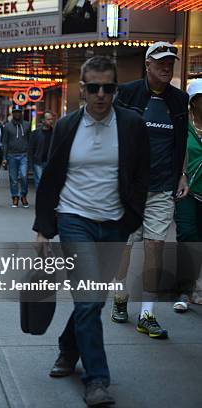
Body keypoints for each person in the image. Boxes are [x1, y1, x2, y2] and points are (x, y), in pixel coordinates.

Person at [34, 56, 149, 407]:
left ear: (116, 89)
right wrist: (43, 229)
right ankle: (97, 379)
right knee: (88, 299)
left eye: (109, 88)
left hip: (114, 223)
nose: (101, 94)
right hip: (74, 218)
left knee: (92, 302)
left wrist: (132, 220)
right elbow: (51, 178)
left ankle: (68, 350)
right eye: (94, 87)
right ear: (82, 89)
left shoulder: (131, 124)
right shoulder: (68, 126)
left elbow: (141, 174)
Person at [111, 41, 189, 339]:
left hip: (162, 188)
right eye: (160, 62)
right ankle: (119, 299)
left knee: (156, 247)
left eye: (171, 62)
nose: (167, 66)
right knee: (125, 248)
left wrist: (181, 175)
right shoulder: (128, 94)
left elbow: (179, 142)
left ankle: (147, 314)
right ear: (147, 65)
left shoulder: (180, 100)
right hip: (129, 190)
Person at [173, 79, 202, 312]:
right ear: (193, 102)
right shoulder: (184, 125)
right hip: (187, 190)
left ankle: (195, 286)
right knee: (188, 236)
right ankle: (184, 290)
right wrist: (180, 174)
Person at [2, 106, 31, 208]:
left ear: (21, 113)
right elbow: (4, 143)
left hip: (24, 154)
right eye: (15, 112)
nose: (17, 114)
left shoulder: (27, 125)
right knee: (13, 178)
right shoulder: (8, 126)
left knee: (24, 176)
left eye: (19, 112)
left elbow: (30, 140)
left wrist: (29, 154)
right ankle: (15, 197)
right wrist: (4, 158)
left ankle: (23, 195)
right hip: (12, 155)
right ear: (12, 113)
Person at [28, 111, 55, 189]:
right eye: (48, 119)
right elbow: (31, 148)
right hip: (38, 161)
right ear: (43, 120)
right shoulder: (36, 133)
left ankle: (45, 199)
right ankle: (40, 200)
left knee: (48, 182)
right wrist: (30, 164)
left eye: (51, 119)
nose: (51, 121)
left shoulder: (55, 132)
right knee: (39, 181)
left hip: (50, 162)